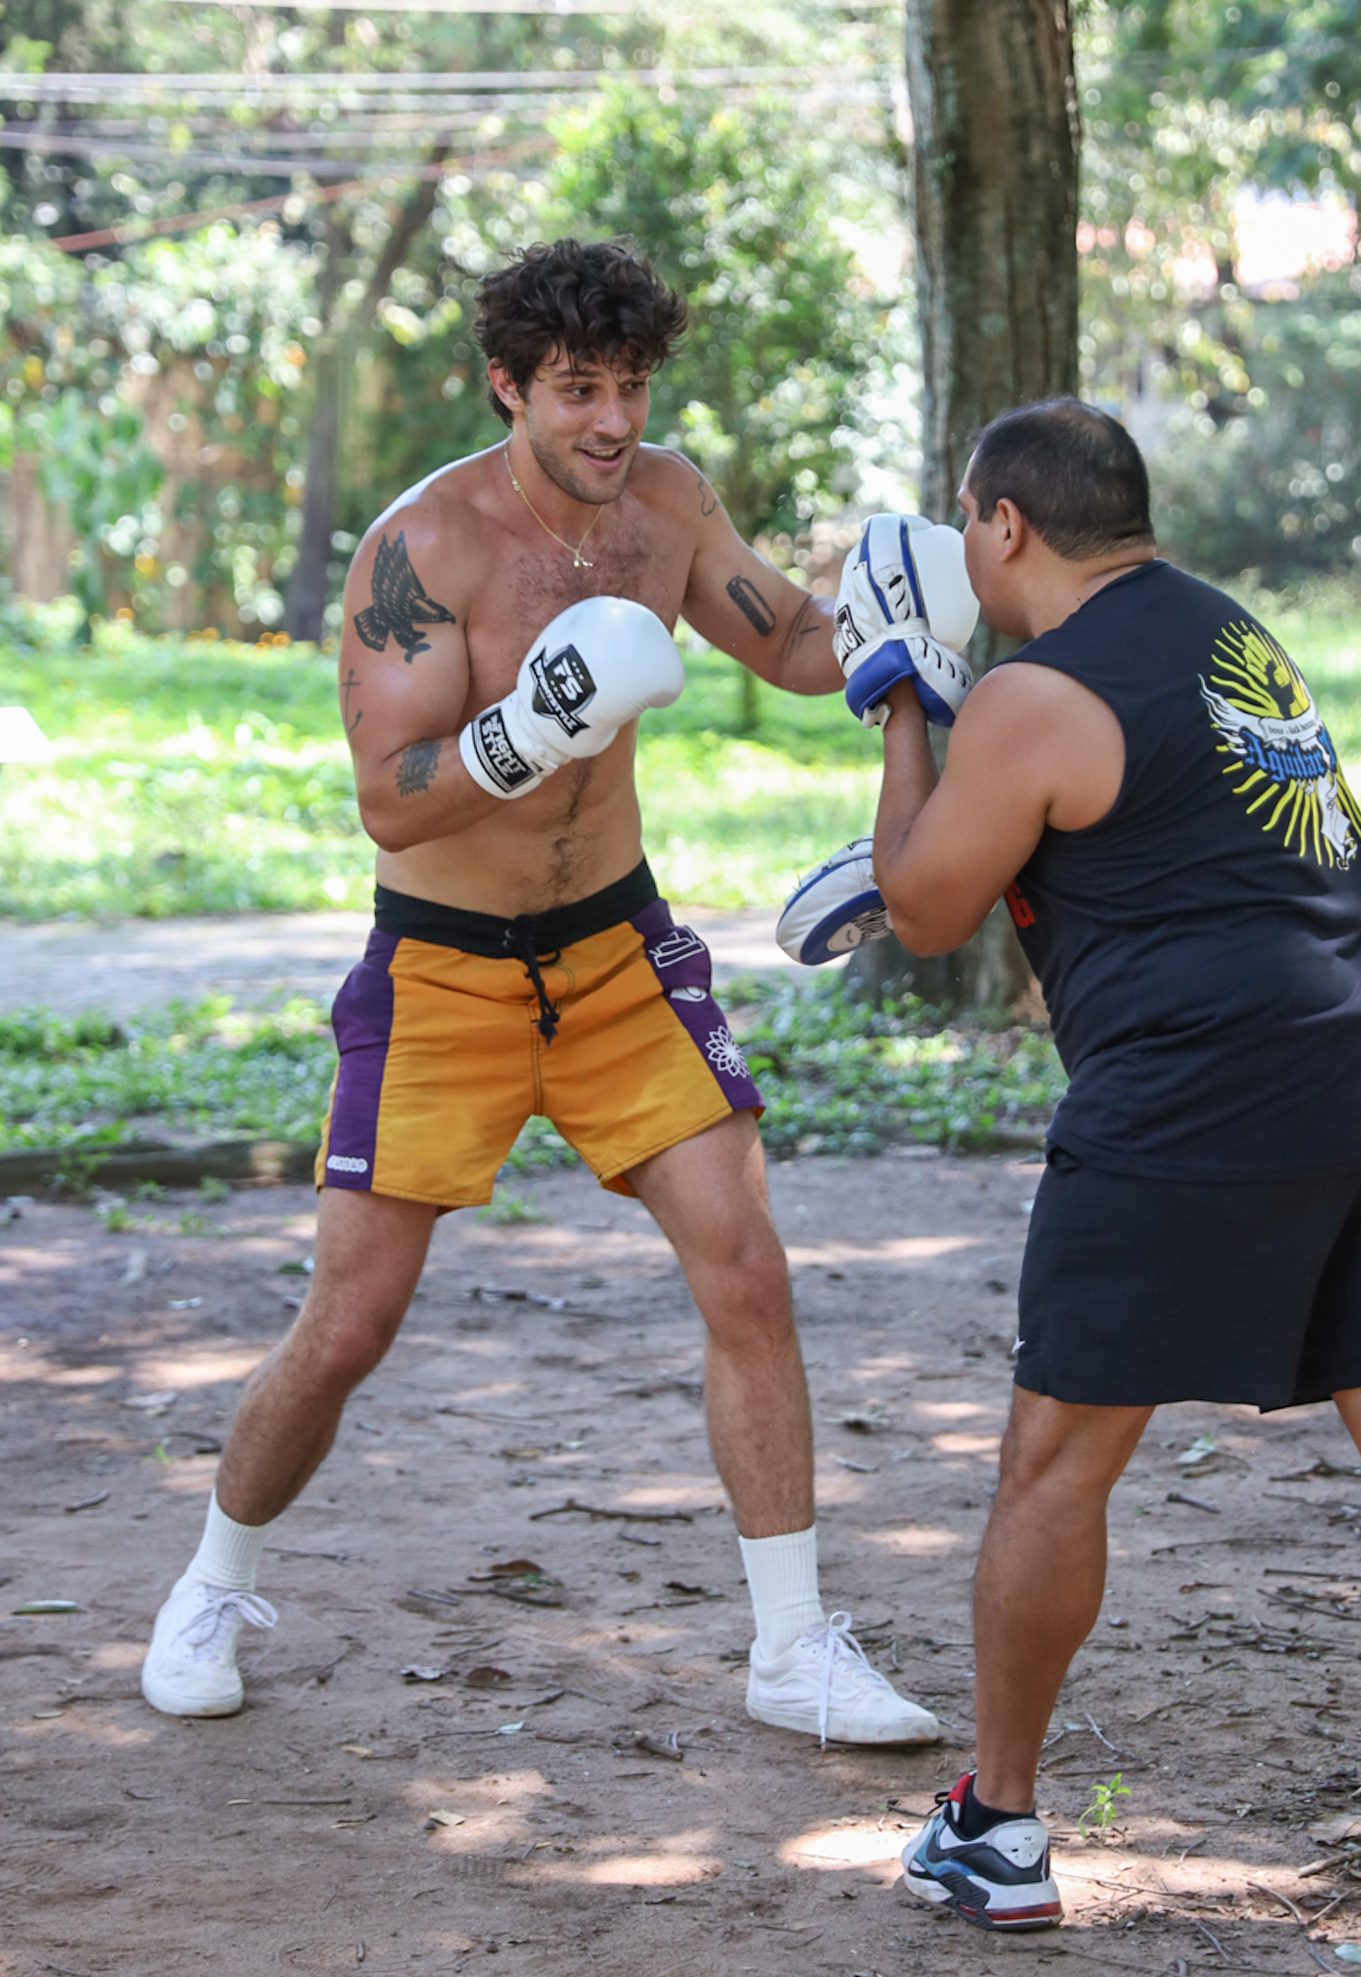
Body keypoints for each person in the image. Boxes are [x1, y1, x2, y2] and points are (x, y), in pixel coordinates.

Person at [140, 237, 955, 1748]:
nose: (611, 421)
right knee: (348, 1325)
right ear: (506, 385)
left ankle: (789, 1647)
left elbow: (785, 640)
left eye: (632, 387)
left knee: (748, 1269)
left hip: (617, 948)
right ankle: (210, 1580)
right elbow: (392, 801)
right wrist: (525, 733)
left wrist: (909, 615)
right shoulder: (422, 548)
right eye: (579, 390)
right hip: (441, 970)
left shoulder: (668, 501)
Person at [810, 397, 1361, 1925]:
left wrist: (900, 702)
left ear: (1002, 527)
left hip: (1196, 1094)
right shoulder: (1233, 632)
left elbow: (921, 913)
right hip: (1346, 1053)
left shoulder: (1032, 695)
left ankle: (993, 1830)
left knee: (1053, 1461)